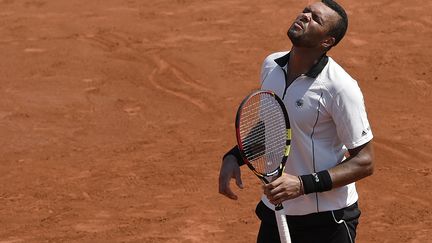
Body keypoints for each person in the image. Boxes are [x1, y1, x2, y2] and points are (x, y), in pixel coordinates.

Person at [218, 0, 375, 242]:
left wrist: (301, 185)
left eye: (316, 19)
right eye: (306, 11)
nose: (305, 16)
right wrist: (235, 156)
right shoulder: (272, 65)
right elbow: (273, 126)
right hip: (277, 212)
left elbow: (365, 161)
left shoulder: (339, 88)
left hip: (326, 220)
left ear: (327, 41)